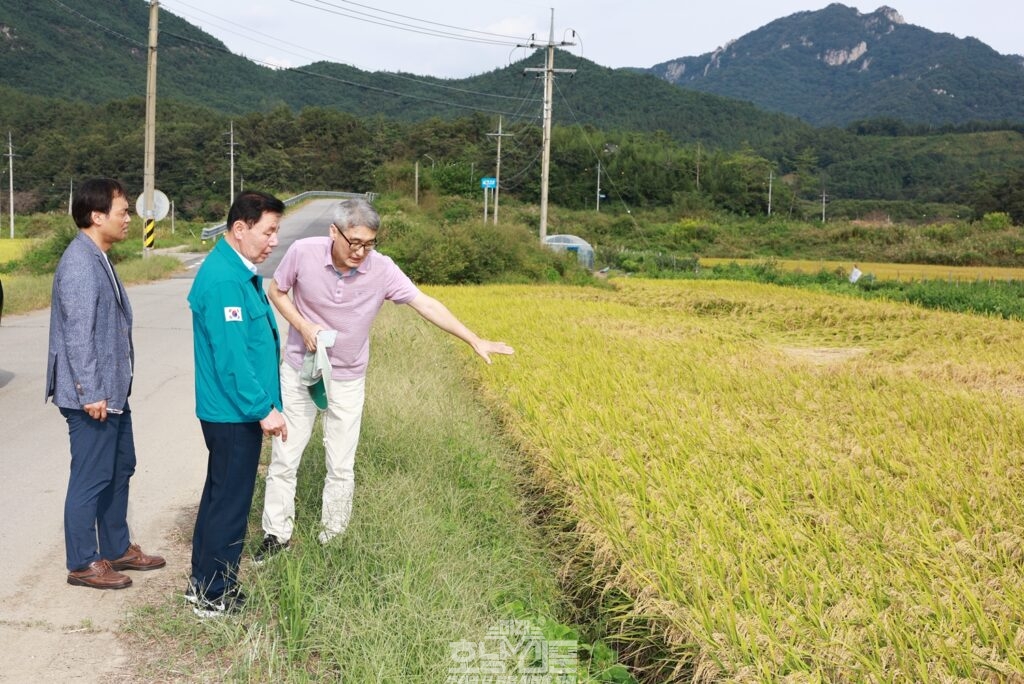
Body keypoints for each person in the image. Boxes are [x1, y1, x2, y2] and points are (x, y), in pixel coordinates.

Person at [256, 198, 513, 560]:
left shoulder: (383, 269)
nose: (361, 252)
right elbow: (276, 291)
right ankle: (275, 536)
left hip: (347, 377)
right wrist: (302, 325)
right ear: (334, 232)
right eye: (355, 242)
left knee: (341, 463)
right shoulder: (303, 252)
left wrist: (473, 338)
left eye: (370, 243)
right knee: (285, 457)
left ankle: (333, 537)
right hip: (301, 371)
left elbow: (425, 303)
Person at [45, 177, 166, 590]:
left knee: (119, 468)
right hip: (92, 395)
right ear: (96, 216)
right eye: (123, 211)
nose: (129, 218)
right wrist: (90, 391)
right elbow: (78, 333)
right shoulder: (80, 262)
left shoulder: (99, 256)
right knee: (91, 476)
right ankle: (82, 561)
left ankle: (115, 548)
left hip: (112, 390)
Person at [186, 191, 288, 617]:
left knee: (218, 496)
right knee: (230, 504)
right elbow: (233, 360)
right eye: (268, 231)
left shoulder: (237, 270)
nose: (274, 241)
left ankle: (203, 582)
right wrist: (263, 409)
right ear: (240, 229)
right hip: (233, 412)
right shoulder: (227, 279)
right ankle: (214, 594)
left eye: (277, 232)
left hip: (230, 411)